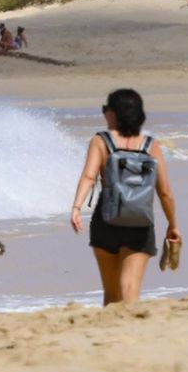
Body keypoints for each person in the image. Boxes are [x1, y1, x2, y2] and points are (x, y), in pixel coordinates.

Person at [71, 89, 180, 305]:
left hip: (105, 220)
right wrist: (173, 224)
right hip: (139, 222)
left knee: (111, 294)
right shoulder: (151, 145)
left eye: (106, 110)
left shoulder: (100, 141)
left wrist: (76, 207)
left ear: (113, 114)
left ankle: (110, 335)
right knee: (130, 287)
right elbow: (165, 191)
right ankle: (129, 331)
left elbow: (89, 176)